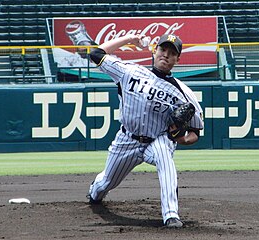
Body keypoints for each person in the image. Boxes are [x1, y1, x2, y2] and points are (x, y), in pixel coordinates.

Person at [87, 33, 204, 228]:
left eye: (171, 53)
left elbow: (194, 134)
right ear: (155, 51)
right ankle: (94, 192)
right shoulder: (129, 71)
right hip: (127, 140)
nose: (166, 55)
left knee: (165, 158)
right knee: (105, 183)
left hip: (157, 139)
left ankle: (171, 215)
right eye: (163, 50)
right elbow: (96, 54)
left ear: (177, 59)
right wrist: (129, 38)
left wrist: (180, 139)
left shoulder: (184, 94)